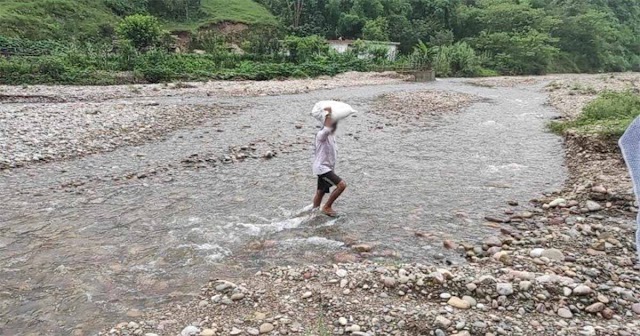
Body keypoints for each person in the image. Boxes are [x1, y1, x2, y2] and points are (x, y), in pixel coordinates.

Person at [312, 107, 347, 217]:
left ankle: (314, 212)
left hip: (326, 167)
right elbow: (327, 129)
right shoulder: (321, 135)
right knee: (342, 185)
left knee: (321, 191)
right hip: (322, 168)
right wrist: (329, 114)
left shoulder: (331, 136)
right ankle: (327, 207)